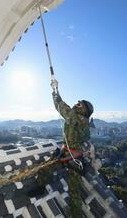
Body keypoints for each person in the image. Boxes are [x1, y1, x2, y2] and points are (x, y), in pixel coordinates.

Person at [51, 78, 94, 218]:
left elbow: (60, 105)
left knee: (48, 166)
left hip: (68, 154)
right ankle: (76, 214)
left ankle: (38, 186)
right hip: (76, 156)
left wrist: (55, 90)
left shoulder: (74, 117)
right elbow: (85, 139)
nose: (76, 104)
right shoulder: (86, 123)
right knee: (74, 189)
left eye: (79, 104)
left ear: (84, 110)